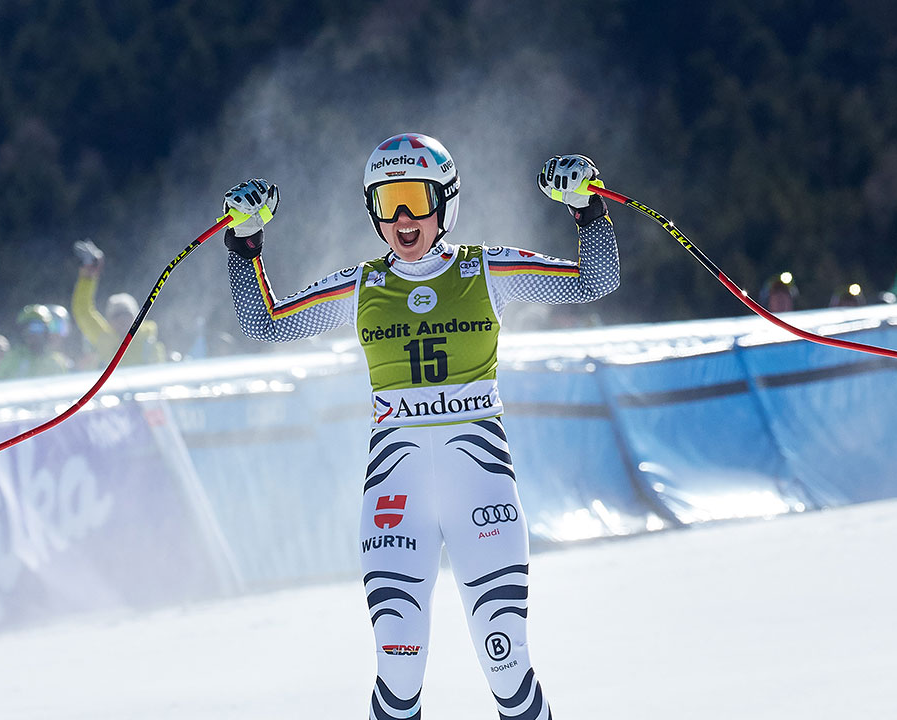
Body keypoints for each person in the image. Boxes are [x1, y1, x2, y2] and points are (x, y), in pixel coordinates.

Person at [223, 133, 620, 719]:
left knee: (505, 661)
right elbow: (266, 323)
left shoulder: (486, 270)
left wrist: (587, 211)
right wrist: (243, 243)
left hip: (480, 486)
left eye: (415, 199)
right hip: (396, 492)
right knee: (398, 666)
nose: (403, 218)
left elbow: (596, 282)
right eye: (387, 203)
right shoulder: (361, 287)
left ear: (446, 202)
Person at [71, 239, 167, 367]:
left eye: (126, 314)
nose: (122, 320)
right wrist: (88, 277)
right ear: (109, 320)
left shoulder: (148, 342)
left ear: (136, 317)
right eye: (116, 316)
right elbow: (82, 311)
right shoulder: (104, 339)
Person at [0, 304, 71, 379]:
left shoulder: (56, 362)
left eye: (38, 328)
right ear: (22, 332)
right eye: (29, 329)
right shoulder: (12, 359)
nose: (34, 335)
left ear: (46, 331)